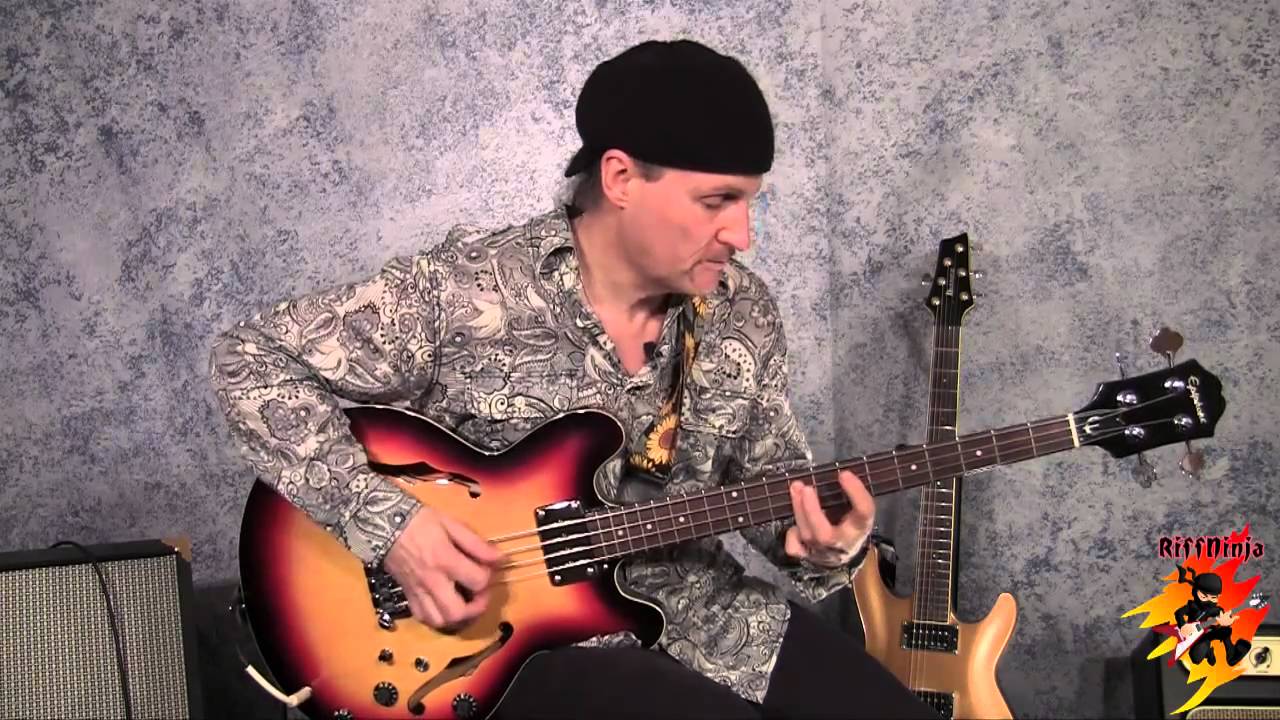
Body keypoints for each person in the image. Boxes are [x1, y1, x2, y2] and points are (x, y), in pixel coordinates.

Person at [210, 38, 938, 719]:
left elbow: (771, 488)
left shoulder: (742, 310)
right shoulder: (466, 290)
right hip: (514, 644)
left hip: (703, 608)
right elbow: (250, 359)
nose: (742, 234)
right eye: (717, 201)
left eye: (751, 201)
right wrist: (395, 527)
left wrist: (822, 542)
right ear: (621, 178)